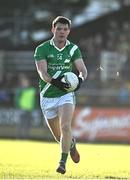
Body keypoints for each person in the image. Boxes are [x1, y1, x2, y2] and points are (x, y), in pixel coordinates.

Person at [34, 16, 87, 174]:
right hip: (47, 95)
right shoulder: (42, 49)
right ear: (53, 29)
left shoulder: (73, 49)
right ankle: (71, 144)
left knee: (66, 127)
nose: (62, 32)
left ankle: (62, 163)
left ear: (69, 31)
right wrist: (54, 81)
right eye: (59, 29)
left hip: (66, 94)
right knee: (59, 137)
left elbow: (82, 69)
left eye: (65, 29)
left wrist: (80, 79)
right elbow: (42, 72)